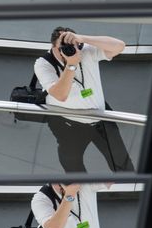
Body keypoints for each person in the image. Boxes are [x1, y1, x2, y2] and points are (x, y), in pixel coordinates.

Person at [34, 26, 134, 172]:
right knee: (72, 166)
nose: (69, 49)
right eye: (63, 46)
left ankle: (127, 188)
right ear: (53, 46)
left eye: (73, 45)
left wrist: (83, 39)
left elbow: (120, 46)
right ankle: (79, 192)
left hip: (100, 118)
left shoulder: (83, 49)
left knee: (122, 162)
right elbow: (60, 94)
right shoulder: (43, 63)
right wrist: (71, 64)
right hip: (68, 123)